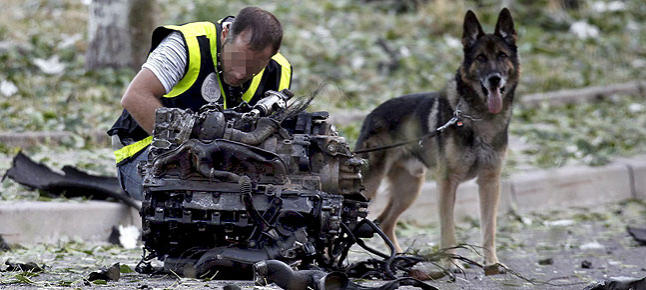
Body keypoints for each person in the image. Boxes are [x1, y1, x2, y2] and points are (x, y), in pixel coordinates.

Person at [107, 6, 293, 200]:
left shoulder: (279, 71)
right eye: (237, 59)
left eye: (254, 66)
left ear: (272, 55)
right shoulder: (187, 43)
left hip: (227, 162)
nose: (240, 73)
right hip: (144, 152)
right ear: (225, 33)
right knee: (194, 198)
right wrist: (185, 142)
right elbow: (135, 97)